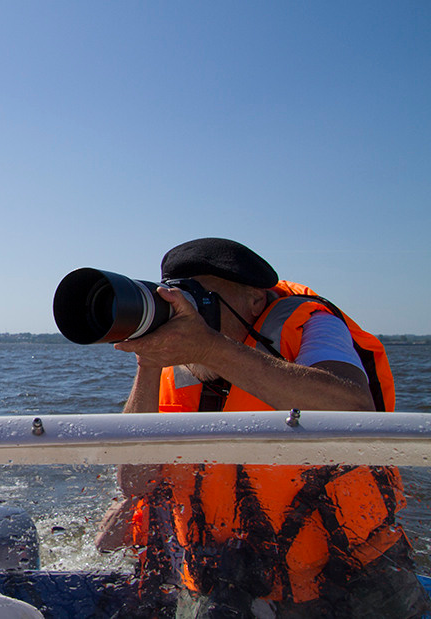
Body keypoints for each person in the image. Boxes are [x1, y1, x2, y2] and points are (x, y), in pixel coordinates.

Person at [101, 237, 428, 618]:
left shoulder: (312, 324)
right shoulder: (169, 361)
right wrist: (149, 362)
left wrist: (209, 348)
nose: (190, 308)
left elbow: (352, 410)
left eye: (204, 296)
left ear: (255, 299)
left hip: (348, 570)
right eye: (181, 295)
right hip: (219, 575)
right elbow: (135, 482)